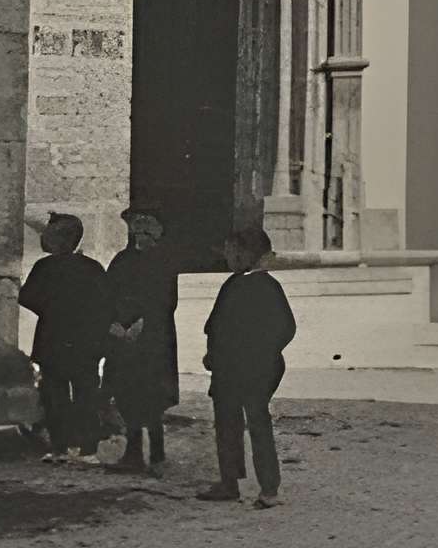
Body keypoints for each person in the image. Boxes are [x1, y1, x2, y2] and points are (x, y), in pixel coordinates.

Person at [198, 224, 298, 509]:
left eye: (232, 251)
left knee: (252, 423)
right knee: (231, 423)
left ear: (247, 254)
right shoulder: (233, 284)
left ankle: (265, 488)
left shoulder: (265, 287)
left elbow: (285, 328)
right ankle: (234, 483)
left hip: (253, 369)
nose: (228, 257)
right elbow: (214, 326)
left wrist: (260, 354)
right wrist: (212, 354)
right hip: (230, 369)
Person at [19, 212, 113, 461]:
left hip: (52, 340)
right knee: (86, 394)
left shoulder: (44, 267)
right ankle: (88, 448)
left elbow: (26, 297)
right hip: (86, 343)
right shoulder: (92, 268)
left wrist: (50, 309)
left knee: (54, 396)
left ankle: (59, 448)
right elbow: (106, 305)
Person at [103, 201, 181, 475]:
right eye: (137, 228)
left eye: (148, 229)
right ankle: (133, 453)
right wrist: (112, 323)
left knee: (152, 396)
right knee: (127, 393)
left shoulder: (164, 262)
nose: (142, 234)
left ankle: (157, 455)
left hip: (153, 338)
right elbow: (106, 294)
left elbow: (166, 300)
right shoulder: (121, 261)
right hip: (121, 337)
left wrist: (142, 324)